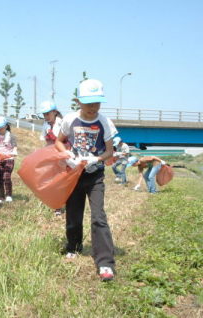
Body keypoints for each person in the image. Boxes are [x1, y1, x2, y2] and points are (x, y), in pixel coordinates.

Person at [55, 79, 117, 281]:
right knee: (73, 214)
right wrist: (68, 156)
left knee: (98, 216)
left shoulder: (105, 122)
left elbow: (110, 151)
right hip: (74, 174)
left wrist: (96, 159)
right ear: (78, 102)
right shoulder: (70, 120)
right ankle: (73, 246)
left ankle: (105, 262)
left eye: (97, 102)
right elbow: (58, 141)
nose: (93, 107)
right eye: (89, 103)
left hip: (95, 175)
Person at [39, 101, 66, 216]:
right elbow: (44, 140)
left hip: (62, 156)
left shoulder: (62, 123)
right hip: (51, 155)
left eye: (48, 114)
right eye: (44, 114)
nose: (46, 116)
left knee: (62, 180)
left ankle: (67, 202)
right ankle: (57, 207)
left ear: (54, 112)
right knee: (53, 181)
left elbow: (66, 139)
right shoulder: (45, 125)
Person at [0, 116, 18, 204]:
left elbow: (14, 146)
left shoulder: (11, 136)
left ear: (6, 126)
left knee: (6, 177)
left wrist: (14, 151)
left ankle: (8, 196)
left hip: (9, 159)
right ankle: (1, 197)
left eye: (1, 127)